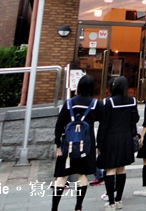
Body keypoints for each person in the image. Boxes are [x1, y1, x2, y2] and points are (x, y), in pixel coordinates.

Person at [52, 74, 101, 211]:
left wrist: (58, 145)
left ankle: (54, 208)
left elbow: (59, 124)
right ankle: (78, 207)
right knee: (82, 175)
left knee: (61, 177)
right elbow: (102, 122)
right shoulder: (95, 104)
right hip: (86, 146)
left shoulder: (69, 103)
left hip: (68, 145)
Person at [97, 76, 139, 209]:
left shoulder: (108, 102)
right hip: (126, 137)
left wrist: (99, 143)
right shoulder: (132, 101)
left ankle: (111, 203)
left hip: (111, 139)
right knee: (121, 168)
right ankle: (119, 200)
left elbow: (103, 125)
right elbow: (136, 119)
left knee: (110, 169)